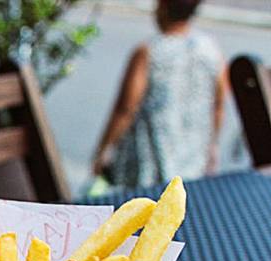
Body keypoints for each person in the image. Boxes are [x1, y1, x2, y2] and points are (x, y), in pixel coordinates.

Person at [92, 0, 227, 188]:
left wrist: (104, 149)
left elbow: (126, 108)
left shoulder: (149, 51)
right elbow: (219, 105)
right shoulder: (211, 49)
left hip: (150, 161)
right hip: (193, 159)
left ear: (162, 7)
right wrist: (212, 145)